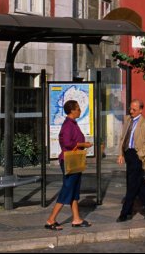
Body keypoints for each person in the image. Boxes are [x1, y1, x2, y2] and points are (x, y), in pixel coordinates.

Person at [44, 99, 93, 231]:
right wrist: (84, 145)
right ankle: (51, 219)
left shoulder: (73, 124)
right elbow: (67, 143)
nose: (80, 111)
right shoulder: (68, 125)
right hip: (68, 160)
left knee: (74, 190)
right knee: (67, 189)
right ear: (72, 110)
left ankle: (76, 219)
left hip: (75, 159)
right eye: (78, 109)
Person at [116, 99, 145, 222]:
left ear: (141, 110)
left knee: (131, 185)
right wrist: (121, 154)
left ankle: (125, 213)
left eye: (134, 110)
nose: (131, 111)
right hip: (128, 154)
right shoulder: (128, 120)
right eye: (130, 109)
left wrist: (139, 154)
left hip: (137, 156)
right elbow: (123, 138)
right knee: (139, 185)